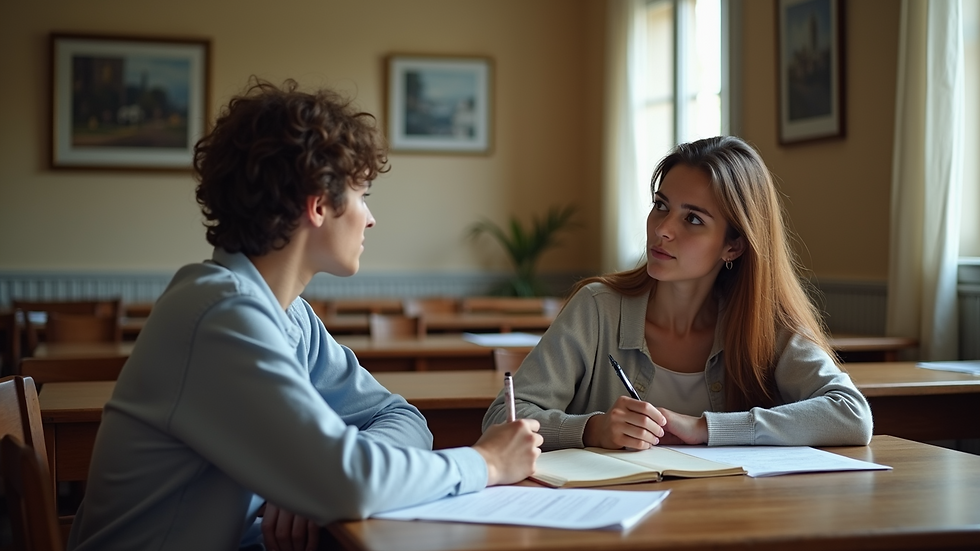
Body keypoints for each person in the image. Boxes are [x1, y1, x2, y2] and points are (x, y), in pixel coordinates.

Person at [67, 79, 543, 551]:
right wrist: (487, 462)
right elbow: (346, 481)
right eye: (362, 194)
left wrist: (312, 481)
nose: (370, 217)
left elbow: (399, 417)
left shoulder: (289, 314)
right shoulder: (218, 314)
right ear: (317, 205)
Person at [483, 136, 872, 451]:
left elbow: (851, 414)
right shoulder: (597, 308)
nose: (662, 229)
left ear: (733, 245)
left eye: (693, 219)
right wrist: (593, 429)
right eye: (661, 206)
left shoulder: (763, 322)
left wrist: (705, 428)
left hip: (728, 511)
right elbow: (502, 419)